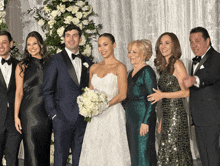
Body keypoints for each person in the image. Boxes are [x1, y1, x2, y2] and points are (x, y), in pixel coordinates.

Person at [43, 24, 93, 166]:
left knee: (81, 157)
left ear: (80, 39)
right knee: (60, 157)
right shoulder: (55, 60)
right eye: (68, 35)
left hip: (82, 119)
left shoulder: (88, 62)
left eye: (75, 35)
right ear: (64, 38)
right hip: (62, 118)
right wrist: (54, 115)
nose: (71, 39)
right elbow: (47, 90)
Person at [79, 33, 131, 166]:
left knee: (112, 148)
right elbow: (90, 91)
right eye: (99, 46)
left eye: (105, 44)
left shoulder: (120, 67)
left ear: (114, 45)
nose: (102, 49)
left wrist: (103, 105)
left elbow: (123, 95)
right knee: (95, 146)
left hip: (112, 113)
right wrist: (88, 105)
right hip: (96, 116)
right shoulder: (94, 67)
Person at [148, 32, 193, 165]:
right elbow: (165, 99)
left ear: (174, 46)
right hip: (167, 116)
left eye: (167, 43)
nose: (163, 46)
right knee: (167, 152)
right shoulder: (164, 67)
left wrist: (161, 95)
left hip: (177, 116)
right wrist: (161, 120)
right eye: (161, 43)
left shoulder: (178, 64)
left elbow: (186, 92)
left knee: (175, 152)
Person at [183, 27, 220, 166]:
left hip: (211, 117)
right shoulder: (196, 60)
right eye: (191, 42)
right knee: (204, 155)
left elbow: (209, 75)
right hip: (199, 117)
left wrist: (194, 79)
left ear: (208, 41)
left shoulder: (216, 58)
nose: (193, 45)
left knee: (212, 154)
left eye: (197, 41)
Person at [14, 31, 52, 166]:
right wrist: (16, 116)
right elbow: (18, 93)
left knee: (44, 151)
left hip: (46, 114)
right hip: (28, 114)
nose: (32, 47)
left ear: (41, 45)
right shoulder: (22, 66)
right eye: (28, 44)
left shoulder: (51, 63)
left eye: (34, 43)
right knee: (31, 153)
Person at [123, 39, 157, 166]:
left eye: (134, 52)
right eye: (129, 52)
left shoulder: (147, 71)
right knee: (134, 152)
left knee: (144, 153)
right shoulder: (130, 73)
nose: (130, 55)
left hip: (143, 118)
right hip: (131, 118)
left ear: (143, 54)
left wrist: (146, 121)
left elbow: (153, 98)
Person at [0, 31, 22, 166]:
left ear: (11, 44)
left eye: (4, 42)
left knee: (12, 159)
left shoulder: (20, 65)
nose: (1, 46)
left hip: (15, 121)